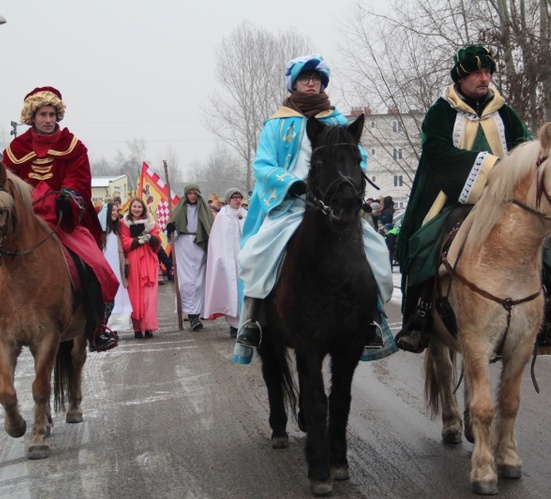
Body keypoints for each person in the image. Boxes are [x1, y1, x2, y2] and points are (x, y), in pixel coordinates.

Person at [395, 45, 551, 354]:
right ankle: (419, 317)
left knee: (538, 241)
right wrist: (491, 167)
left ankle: (546, 311)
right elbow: (436, 152)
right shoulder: (441, 112)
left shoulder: (504, 112)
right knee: (424, 243)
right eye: (477, 73)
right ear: (461, 77)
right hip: (453, 197)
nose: (484, 78)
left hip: (505, 198)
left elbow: (526, 146)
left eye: (488, 72)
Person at [236, 54, 393, 350]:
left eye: (317, 78)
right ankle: (253, 319)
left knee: (376, 249)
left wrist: (348, 182)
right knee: (256, 253)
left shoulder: (336, 120)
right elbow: (263, 165)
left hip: (332, 206)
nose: (312, 82)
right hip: (290, 206)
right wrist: (290, 183)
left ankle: (372, 317)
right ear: (294, 84)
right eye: (306, 78)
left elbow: (359, 158)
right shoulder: (276, 124)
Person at [0, 86, 118, 352]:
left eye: (52, 114)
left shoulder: (74, 147)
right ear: (32, 117)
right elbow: (5, 186)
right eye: (43, 115)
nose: (48, 120)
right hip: (24, 223)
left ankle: (96, 328)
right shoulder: (15, 149)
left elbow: (79, 180)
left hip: (62, 221)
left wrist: (67, 195)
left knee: (94, 265)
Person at [166, 184, 213, 331]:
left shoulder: (204, 210)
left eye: (195, 193)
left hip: (199, 246)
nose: (192, 196)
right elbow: (173, 232)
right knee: (186, 282)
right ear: (186, 195)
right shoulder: (178, 210)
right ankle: (191, 314)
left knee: (199, 282)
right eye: (190, 193)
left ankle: (196, 315)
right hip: (183, 246)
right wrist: (171, 230)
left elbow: (210, 227)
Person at [203, 188, 247, 337]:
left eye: (239, 197)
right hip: (228, 260)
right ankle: (234, 325)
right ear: (229, 199)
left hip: (244, 259)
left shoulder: (246, 215)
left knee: (244, 291)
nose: (237, 200)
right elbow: (217, 239)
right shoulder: (222, 216)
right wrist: (219, 258)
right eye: (234, 197)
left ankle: (245, 323)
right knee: (231, 291)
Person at [120, 197, 161, 338]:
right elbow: (124, 243)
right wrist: (138, 240)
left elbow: (158, 241)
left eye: (139, 207)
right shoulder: (123, 223)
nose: (136, 209)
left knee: (149, 296)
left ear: (143, 208)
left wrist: (150, 237)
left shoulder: (151, 222)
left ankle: (149, 327)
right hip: (133, 263)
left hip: (149, 260)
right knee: (135, 296)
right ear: (130, 208)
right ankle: (137, 328)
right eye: (134, 206)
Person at [98, 202, 133, 333]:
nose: (115, 212)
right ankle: (106, 326)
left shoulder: (116, 231)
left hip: (117, 269)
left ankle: (115, 328)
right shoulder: (100, 233)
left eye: (117, 211)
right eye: (112, 210)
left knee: (118, 295)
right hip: (105, 269)